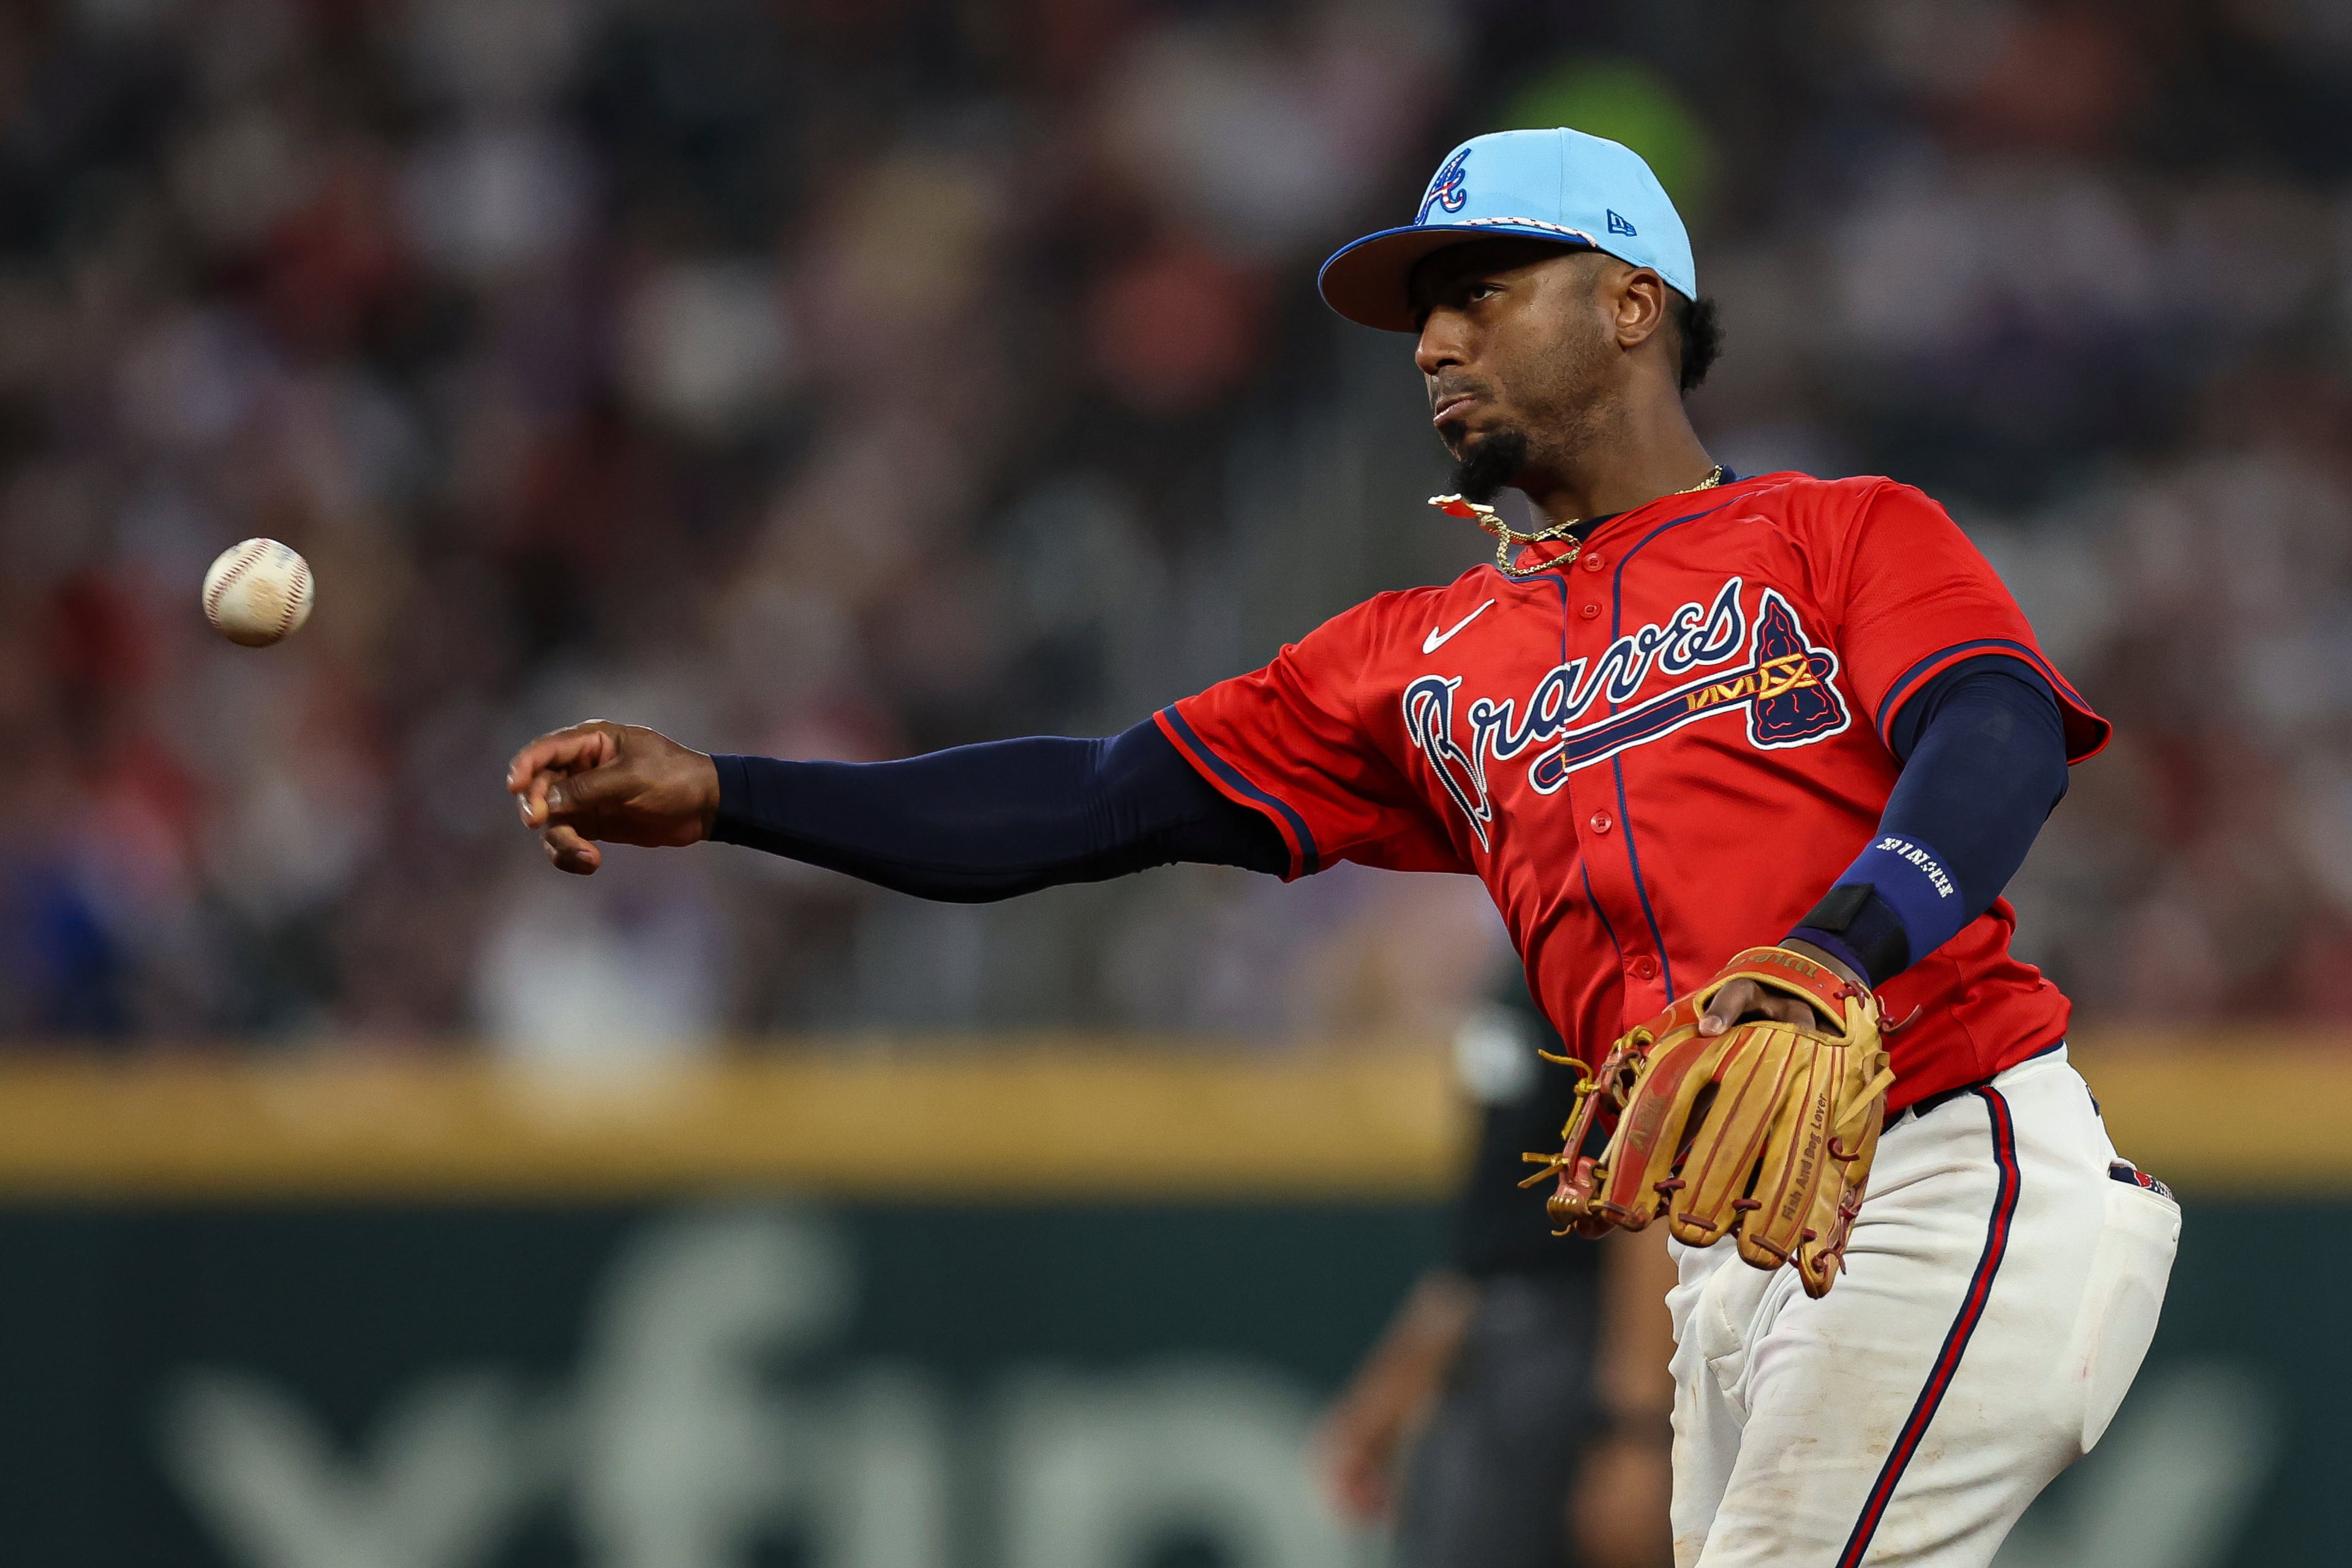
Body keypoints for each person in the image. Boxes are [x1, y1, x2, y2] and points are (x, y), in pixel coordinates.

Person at [505, 127, 2180, 1566]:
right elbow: (1091, 801)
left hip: (1950, 1162)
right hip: (1732, 1257)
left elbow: (1994, 732)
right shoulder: (1410, 659)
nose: (1433, 341)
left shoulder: (1840, 533)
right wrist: (732, 792)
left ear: (1629, 303)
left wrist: (1844, 946)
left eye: (1479, 290)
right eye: (1420, 312)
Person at [1316, 979, 1676, 1568]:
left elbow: (1654, 1194)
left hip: (1588, 1344)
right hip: (1505, 1344)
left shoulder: (1624, 950)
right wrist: (1400, 1376)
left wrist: (1636, 1433)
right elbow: (1499, 1228)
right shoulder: (1530, 956)